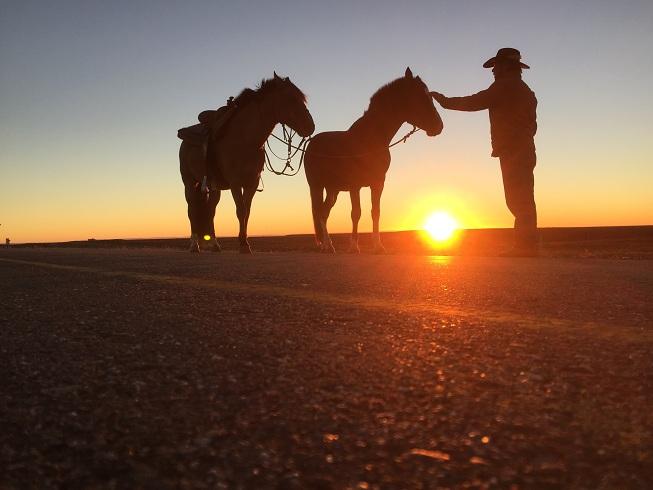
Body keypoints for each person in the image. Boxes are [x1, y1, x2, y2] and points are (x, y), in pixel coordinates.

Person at [431, 47, 539, 256]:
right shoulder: (526, 91)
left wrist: (444, 101)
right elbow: (533, 125)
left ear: (506, 67)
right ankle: (528, 245)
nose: (493, 70)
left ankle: (526, 247)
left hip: (514, 149)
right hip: (523, 148)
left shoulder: (505, 87)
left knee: (518, 199)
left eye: (496, 66)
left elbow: (474, 101)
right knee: (523, 196)